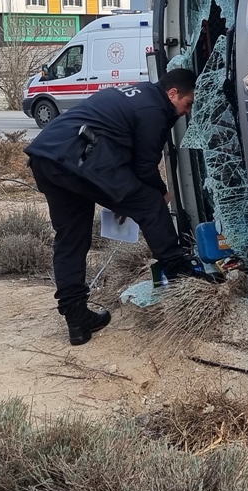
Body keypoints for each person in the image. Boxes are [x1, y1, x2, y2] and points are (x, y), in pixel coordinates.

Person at [26, 68, 201, 345]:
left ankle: (77, 319)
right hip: (78, 159)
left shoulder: (139, 93)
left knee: (71, 239)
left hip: (48, 157)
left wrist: (119, 195)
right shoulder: (154, 109)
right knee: (149, 204)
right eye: (187, 104)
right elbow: (144, 166)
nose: (185, 112)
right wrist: (159, 194)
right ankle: (179, 271)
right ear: (173, 93)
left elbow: (123, 151)